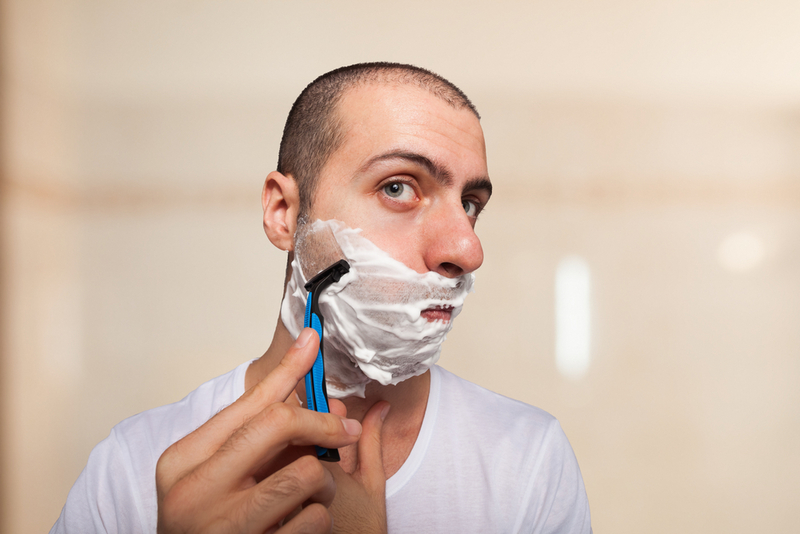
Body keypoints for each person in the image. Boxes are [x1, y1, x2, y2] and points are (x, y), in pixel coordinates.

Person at [51, 62, 592, 533]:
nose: (467, 248)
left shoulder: (528, 461)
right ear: (284, 213)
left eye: (470, 203)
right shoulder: (133, 471)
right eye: (398, 186)